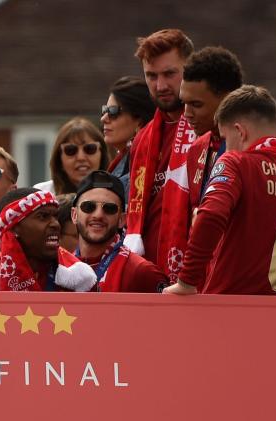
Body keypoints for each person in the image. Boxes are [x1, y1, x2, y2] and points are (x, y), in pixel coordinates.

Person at [165, 85, 276, 296]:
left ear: (240, 131)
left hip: (234, 313)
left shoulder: (235, 163)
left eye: (225, 140)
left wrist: (186, 282)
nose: (224, 149)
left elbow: (211, 215)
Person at [125, 28, 196, 276]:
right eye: (151, 76)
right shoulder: (142, 139)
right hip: (149, 273)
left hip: (196, 274)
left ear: (191, 69)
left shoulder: (213, 129)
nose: (161, 85)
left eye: (169, 74)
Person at [71, 170, 167, 292]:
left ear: (122, 219)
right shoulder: (61, 268)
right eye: (88, 207)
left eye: (109, 208)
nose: (98, 215)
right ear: (74, 215)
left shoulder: (141, 271)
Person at [179, 47, 243, 218]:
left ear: (228, 99)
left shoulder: (252, 149)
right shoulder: (196, 149)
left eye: (196, 104)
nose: (186, 113)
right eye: (184, 103)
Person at [0, 188, 96, 292]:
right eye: (43, 216)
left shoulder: (79, 278)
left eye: (55, 216)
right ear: (14, 228)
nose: (56, 224)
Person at [101, 76, 156, 195]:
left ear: (139, 120)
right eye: (105, 110)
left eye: (113, 112)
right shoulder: (119, 163)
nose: (103, 118)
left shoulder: (148, 168)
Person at [35, 118, 109, 196]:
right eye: (70, 150)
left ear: (102, 155)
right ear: (59, 159)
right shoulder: (42, 194)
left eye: (90, 149)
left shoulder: (118, 193)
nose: (81, 157)